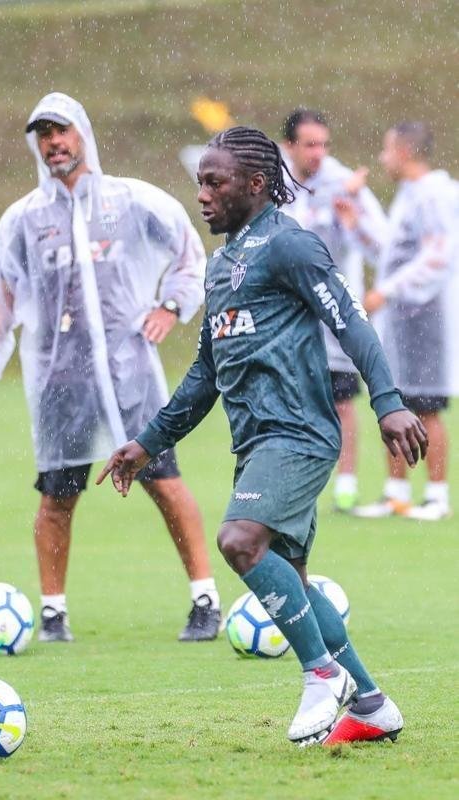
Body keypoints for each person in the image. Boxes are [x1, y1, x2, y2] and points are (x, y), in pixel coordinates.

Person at [96, 126, 427, 745]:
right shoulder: (221, 266)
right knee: (291, 578)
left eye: (215, 182)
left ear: (255, 184)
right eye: (199, 182)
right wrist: (146, 443)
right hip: (256, 443)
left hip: (298, 433)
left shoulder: (291, 245)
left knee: (240, 540)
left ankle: (321, 675)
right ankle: (374, 706)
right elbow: (204, 375)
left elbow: (350, 323)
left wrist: (387, 403)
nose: (202, 195)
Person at [0, 92, 222, 643]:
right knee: (58, 493)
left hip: (131, 374)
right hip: (60, 381)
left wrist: (172, 305)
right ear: (37, 145)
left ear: (82, 133)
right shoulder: (24, 220)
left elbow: (189, 254)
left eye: (63, 131)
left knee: (164, 481)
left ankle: (205, 599)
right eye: (44, 135)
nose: (55, 143)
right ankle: (53, 613)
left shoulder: (130, 201)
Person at [335, 122, 458, 521]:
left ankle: (436, 495)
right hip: (400, 323)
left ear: (405, 152)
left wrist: (388, 292)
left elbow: (438, 257)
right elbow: (391, 253)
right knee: (396, 402)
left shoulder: (436, 194)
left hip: (427, 318)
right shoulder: (410, 195)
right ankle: (396, 493)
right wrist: (356, 225)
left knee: (427, 406)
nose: (383, 159)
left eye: (387, 150)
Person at [281, 108, 387, 513]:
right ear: (289, 146)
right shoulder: (275, 183)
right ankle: (294, 482)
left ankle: (345, 483)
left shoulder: (345, 183)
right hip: (289, 313)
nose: (318, 153)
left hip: (334, 314)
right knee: (291, 398)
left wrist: (352, 219)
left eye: (324, 144)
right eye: (309, 144)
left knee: (341, 400)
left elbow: (382, 246)